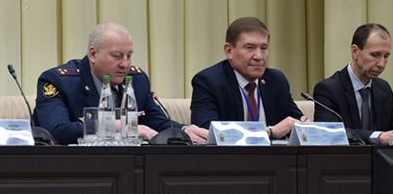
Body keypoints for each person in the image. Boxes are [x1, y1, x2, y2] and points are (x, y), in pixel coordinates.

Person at [34, 22, 207, 145]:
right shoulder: (60, 81)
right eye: (117, 56)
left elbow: (157, 123)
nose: (125, 64)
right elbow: (57, 130)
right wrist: (118, 127)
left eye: (129, 56)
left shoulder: (137, 80)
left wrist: (184, 130)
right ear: (93, 54)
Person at [190, 16, 305, 138]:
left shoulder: (276, 80)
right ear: (229, 51)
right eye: (250, 48)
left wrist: (303, 126)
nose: (259, 56)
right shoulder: (209, 81)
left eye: (264, 48)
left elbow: (295, 123)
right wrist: (270, 131)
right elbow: (208, 132)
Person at [312, 24, 393, 144]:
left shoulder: (383, 88)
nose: (382, 64)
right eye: (375, 55)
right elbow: (330, 133)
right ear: (355, 52)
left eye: (386, 56)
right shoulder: (328, 89)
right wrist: (377, 136)